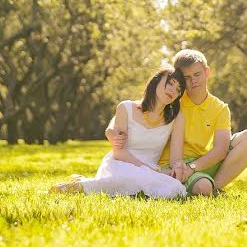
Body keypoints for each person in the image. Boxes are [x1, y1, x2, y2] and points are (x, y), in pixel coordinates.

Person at [108, 49, 247, 197]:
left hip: (201, 162)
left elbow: (221, 150)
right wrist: (110, 130)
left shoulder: (220, 108)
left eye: (197, 74)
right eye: (186, 78)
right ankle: (201, 187)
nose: (193, 81)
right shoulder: (173, 98)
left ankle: (215, 188)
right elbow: (139, 109)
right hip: (173, 165)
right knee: (202, 187)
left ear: (207, 72)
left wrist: (192, 168)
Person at [51, 66, 188, 199]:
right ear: (156, 81)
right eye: (170, 83)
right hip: (121, 164)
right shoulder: (126, 108)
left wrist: (177, 168)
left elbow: (175, 159)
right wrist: (151, 170)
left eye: (178, 90)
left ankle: (92, 183)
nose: (173, 90)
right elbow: (119, 152)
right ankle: (79, 187)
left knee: (176, 189)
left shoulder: (176, 118)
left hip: (150, 170)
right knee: (133, 178)